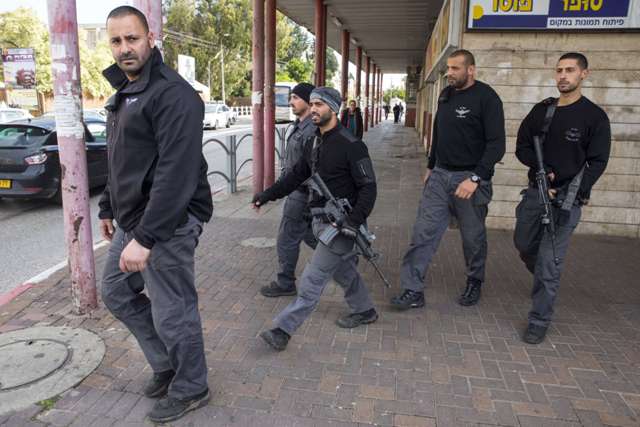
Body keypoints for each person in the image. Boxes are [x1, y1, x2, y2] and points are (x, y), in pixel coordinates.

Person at [99, 6, 212, 423]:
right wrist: (109, 207)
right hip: (133, 218)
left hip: (169, 222)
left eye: (132, 38)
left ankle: (192, 386)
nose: (125, 48)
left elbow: (175, 174)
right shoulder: (127, 91)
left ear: (150, 38)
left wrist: (145, 239)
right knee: (115, 290)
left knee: (173, 308)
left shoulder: (173, 94)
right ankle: (167, 363)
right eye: (116, 41)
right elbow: (120, 159)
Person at [252, 87, 378, 351]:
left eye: (319, 104)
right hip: (322, 221)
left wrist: (353, 222)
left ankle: (283, 330)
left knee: (312, 277)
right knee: (344, 271)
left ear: (334, 108)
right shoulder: (315, 142)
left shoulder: (352, 145)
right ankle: (365, 310)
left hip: (343, 225)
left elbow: (369, 188)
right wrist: (267, 195)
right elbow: (295, 176)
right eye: (312, 104)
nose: (314, 109)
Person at [390, 49, 505, 310]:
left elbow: (497, 145)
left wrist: (476, 178)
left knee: (472, 237)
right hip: (440, 176)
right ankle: (413, 290)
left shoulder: (487, 98)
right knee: (422, 233)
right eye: (448, 69)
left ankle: (475, 280)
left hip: (470, 178)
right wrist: (431, 165)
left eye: (455, 69)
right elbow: (439, 132)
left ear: (471, 70)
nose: (449, 73)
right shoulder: (445, 95)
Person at [514, 52, 610, 344]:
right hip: (536, 192)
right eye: (559, 70)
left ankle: (539, 319)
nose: (563, 76)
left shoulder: (594, 116)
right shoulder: (542, 111)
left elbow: (597, 161)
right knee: (523, 244)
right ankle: (542, 272)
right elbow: (522, 147)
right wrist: (543, 172)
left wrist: (574, 190)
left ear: (584, 74)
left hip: (567, 202)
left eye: (570, 70)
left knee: (548, 263)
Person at [260, 82, 318, 297]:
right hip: (296, 190)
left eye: (295, 97)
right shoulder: (300, 124)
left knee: (287, 238)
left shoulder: (311, 129)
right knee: (311, 235)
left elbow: (305, 168)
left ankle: (286, 282)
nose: (290, 101)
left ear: (307, 101)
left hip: (300, 192)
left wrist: (274, 192)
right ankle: (344, 255)